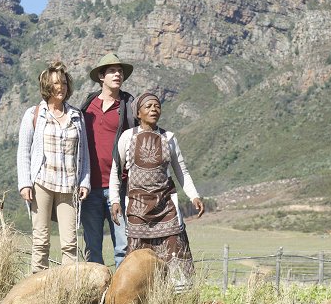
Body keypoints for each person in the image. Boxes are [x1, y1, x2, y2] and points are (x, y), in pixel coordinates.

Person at [110, 92, 204, 286]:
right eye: (148, 106)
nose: (154, 109)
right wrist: (115, 200)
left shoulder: (169, 138)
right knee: (138, 257)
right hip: (137, 207)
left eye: (157, 106)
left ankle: (179, 296)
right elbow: (115, 171)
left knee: (175, 251)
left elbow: (181, 171)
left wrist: (194, 196)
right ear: (138, 113)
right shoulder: (127, 137)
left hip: (166, 206)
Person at [17, 61, 90, 273]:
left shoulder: (77, 116)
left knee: (70, 242)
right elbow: (24, 151)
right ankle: (37, 284)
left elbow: (83, 153)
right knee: (41, 240)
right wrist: (24, 184)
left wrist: (84, 181)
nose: (62, 87)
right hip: (42, 183)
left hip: (69, 185)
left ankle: (69, 288)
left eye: (65, 83)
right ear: (47, 86)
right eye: (57, 83)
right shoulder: (34, 115)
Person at [80, 53, 136, 267]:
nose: (118, 74)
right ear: (101, 76)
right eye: (112, 71)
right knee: (92, 248)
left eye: (120, 71)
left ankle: (121, 298)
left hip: (118, 189)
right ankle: (96, 296)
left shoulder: (128, 107)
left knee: (123, 246)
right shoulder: (87, 106)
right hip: (89, 188)